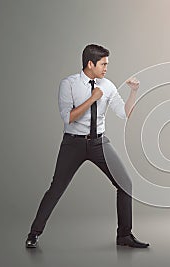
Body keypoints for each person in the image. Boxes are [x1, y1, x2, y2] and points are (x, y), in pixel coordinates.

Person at [25, 44, 149, 249]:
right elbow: (68, 118)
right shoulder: (69, 84)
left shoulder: (107, 85)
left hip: (99, 143)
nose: (106, 68)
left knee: (125, 185)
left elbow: (125, 113)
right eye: (103, 64)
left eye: (107, 64)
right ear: (90, 64)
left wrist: (133, 92)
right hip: (72, 143)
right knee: (56, 189)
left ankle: (124, 235)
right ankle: (33, 234)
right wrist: (93, 98)